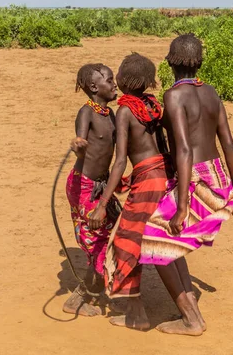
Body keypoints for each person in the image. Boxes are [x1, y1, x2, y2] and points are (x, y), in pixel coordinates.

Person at [140, 34, 233, 336]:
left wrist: (182, 207)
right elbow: (228, 143)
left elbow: (184, 149)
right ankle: (188, 302)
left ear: (170, 62)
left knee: (152, 243)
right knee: (168, 242)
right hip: (218, 177)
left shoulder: (174, 96)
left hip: (196, 179)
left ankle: (191, 320)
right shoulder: (211, 93)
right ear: (199, 61)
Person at [90, 53, 171, 330]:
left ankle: (137, 315)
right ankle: (136, 310)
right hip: (160, 176)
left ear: (125, 80)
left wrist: (102, 203)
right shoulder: (151, 106)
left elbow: (121, 160)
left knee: (126, 242)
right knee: (137, 240)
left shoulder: (126, 111)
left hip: (147, 180)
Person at [63, 63, 121, 316]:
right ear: (95, 87)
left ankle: (87, 291)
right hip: (83, 186)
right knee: (97, 239)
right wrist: (78, 144)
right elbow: (80, 139)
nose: (114, 83)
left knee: (105, 238)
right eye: (110, 80)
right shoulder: (86, 112)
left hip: (102, 185)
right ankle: (84, 295)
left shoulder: (113, 115)